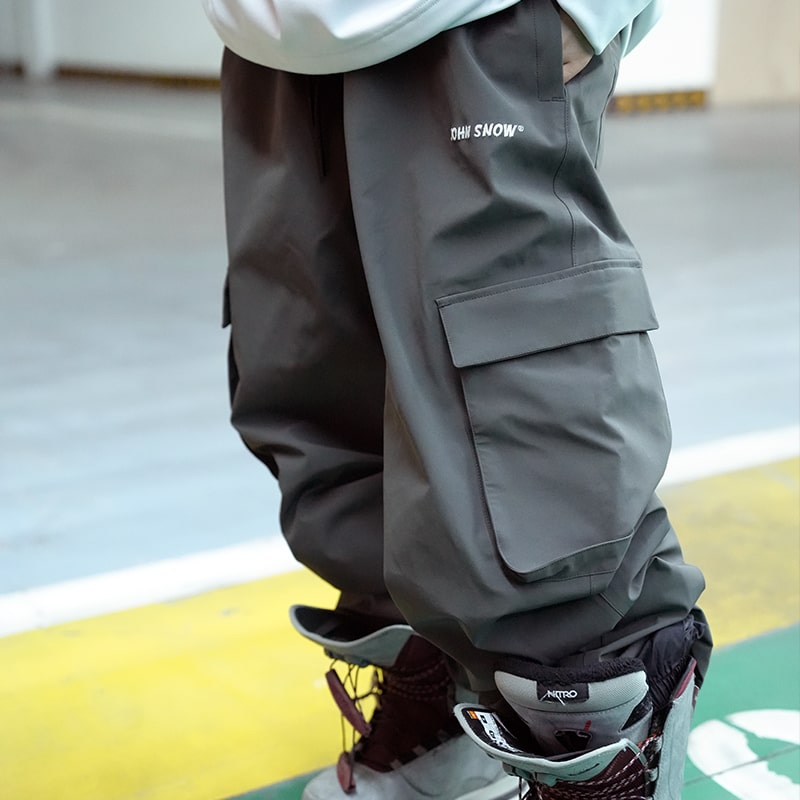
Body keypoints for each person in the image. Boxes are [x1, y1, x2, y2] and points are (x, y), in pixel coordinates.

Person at [203, 1, 712, 797]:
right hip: (275, 37)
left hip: (473, 24)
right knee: (322, 387)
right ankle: (443, 730)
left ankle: (598, 762)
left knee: (531, 463)